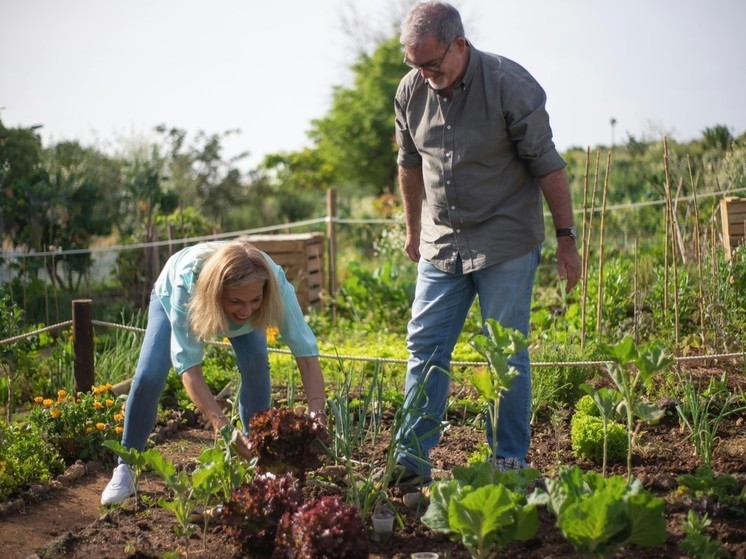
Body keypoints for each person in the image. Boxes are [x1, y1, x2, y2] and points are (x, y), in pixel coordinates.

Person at [391, 1, 581, 485]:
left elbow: (548, 165)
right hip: (442, 241)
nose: (425, 75)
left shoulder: (508, 84)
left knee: (505, 352)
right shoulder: (411, 90)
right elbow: (409, 163)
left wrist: (566, 238)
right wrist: (414, 229)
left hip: (505, 240)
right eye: (415, 65)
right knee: (425, 346)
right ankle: (410, 463)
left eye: (433, 63)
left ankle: (509, 462)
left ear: (460, 44)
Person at [101, 240, 327, 505]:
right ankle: (126, 466)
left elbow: (306, 355)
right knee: (149, 378)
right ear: (219, 293)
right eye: (236, 301)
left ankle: (258, 460)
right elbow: (189, 368)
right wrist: (223, 428)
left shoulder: (272, 282)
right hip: (176, 295)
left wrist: (317, 413)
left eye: (255, 299)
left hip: (234, 300)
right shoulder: (187, 287)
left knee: (257, 369)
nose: (246, 310)